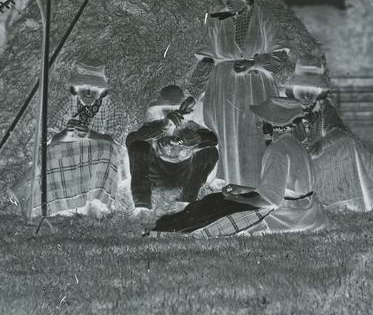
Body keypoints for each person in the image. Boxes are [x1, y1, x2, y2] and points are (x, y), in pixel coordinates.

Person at [148, 96, 327, 237]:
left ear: (270, 125)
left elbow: (271, 200)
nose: (258, 125)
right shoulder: (294, 144)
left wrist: (236, 199)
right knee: (218, 199)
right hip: (309, 212)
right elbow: (284, 188)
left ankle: (169, 230)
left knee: (215, 204)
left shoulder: (277, 150)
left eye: (261, 120)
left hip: (289, 217)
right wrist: (241, 189)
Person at [185, 0, 294, 188]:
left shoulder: (264, 17)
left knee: (256, 132)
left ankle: (261, 186)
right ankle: (230, 184)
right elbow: (207, 59)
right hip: (224, 87)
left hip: (256, 86)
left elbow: (280, 56)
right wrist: (193, 93)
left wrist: (255, 63)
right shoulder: (216, 21)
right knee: (226, 134)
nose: (225, 3)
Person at [283, 62, 373, 213]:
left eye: (312, 90)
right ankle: (316, 199)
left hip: (318, 164)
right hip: (296, 168)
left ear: (319, 92)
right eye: (302, 89)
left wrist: (322, 142)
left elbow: (339, 131)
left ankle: (347, 200)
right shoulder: (285, 108)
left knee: (348, 144)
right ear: (293, 89)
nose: (306, 95)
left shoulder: (324, 108)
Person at [34, 59, 130, 218]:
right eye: (84, 88)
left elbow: (117, 140)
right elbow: (48, 138)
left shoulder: (110, 105)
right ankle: (60, 207)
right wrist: (66, 133)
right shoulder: (68, 104)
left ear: (101, 91)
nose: (88, 93)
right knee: (51, 152)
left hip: (98, 155)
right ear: (76, 89)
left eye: (93, 89)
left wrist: (89, 134)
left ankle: (98, 205)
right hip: (73, 154)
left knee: (107, 150)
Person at [125, 85, 219, 216]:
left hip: (184, 176)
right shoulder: (155, 123)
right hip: (156, 177)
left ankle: (186, 201)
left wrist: (194, 139)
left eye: (176, 107)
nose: (174, 111)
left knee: (210, 152)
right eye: (167, 108)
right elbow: (132, 139)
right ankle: (142, 206)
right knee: (138, 146)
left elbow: (213, 139)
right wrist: (164, 124)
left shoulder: (190, 124)